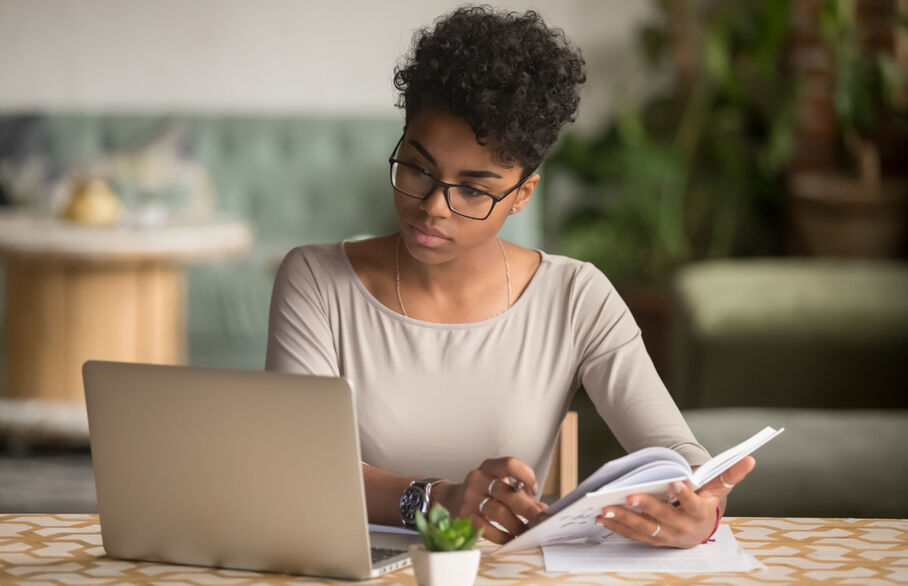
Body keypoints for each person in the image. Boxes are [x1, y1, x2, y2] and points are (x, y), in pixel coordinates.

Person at [265, 5, 754, 548]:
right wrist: (437, 500)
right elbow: (296, 464)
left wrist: (701, 506)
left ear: (522, 195)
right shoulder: (314, 280)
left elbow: (673, 449)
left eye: (473, 189)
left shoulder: (575, 296)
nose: (433, 206)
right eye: (417, 167)